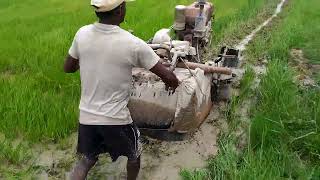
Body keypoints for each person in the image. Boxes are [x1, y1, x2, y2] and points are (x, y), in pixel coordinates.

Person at [64, 0, 179, 179]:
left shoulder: (82, 34)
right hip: (116, 119)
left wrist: (91, 58)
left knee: (87, 159)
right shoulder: (132, 43)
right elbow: (169, 77)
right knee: (135, 154)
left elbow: (68, 67)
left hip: (86, 116)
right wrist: (173, 84)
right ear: (119, 11)